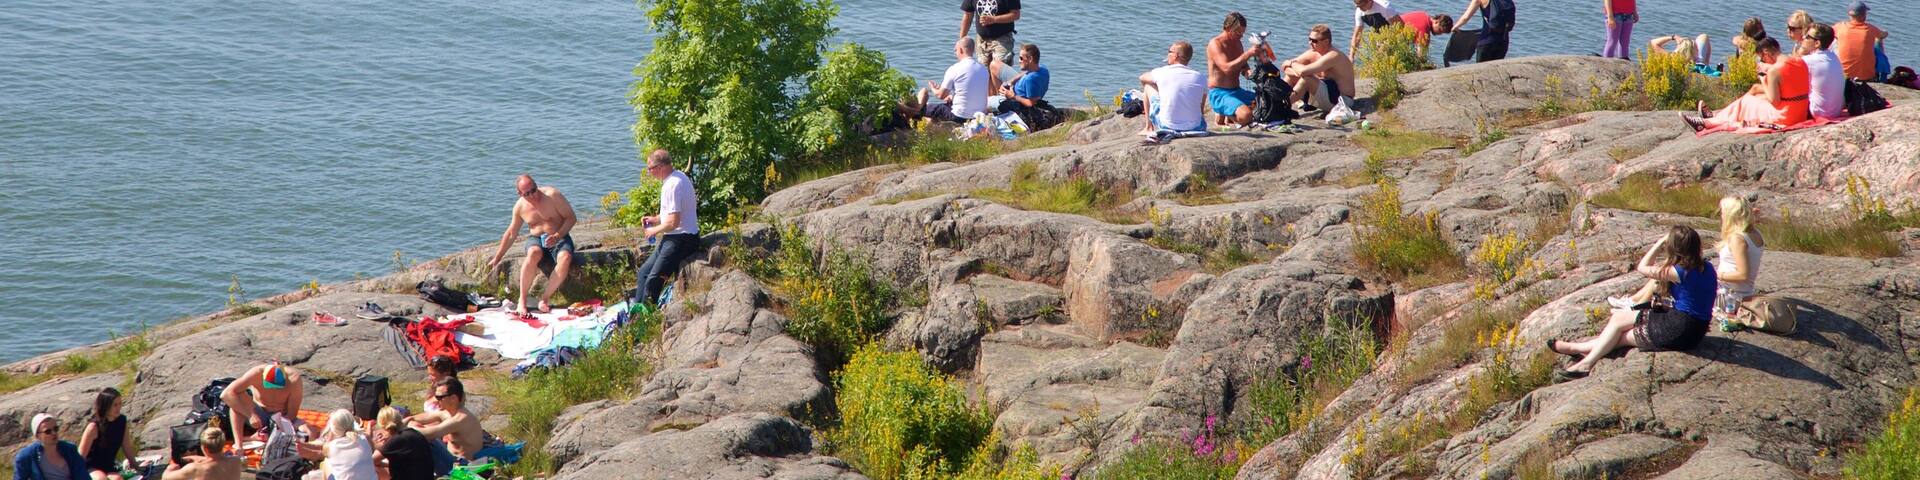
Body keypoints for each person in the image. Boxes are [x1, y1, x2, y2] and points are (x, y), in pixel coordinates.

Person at [1551, 226, 1715, 378]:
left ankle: (1585, 363)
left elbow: (1642, 267)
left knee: (1622, 335)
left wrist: (1658, 243)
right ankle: (1577, 349)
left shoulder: (1679, 272)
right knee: (1619, 325)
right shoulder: (1707, 267)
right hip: (1694, 329)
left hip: (1679, 329)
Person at [483, 174, 577, 315]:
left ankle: (544, 299)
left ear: (536, 185)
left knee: (565, 258)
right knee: (533, 253)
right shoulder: (519, 207)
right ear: (520, 193)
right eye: (527, 193)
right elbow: (511, 233)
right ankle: (522, 300)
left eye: (534, 190)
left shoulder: (553, 195)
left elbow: (571, 218)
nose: (533, 195)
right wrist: (497, 258)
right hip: (536, 239)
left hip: (558, 236)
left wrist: (557, 236)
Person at [1681, 38, 1808, 132]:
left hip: (1785, 117)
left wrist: (1764, 79)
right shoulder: (1799, 61)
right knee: (1756, 95)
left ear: (1766, 53)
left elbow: (1774, 101)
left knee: (1747, 101)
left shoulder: (1774, 71)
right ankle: (1716, 116)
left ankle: (1707, 123)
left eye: (1762, 59)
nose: (1763, 62)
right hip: (1799, 111)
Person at [633, 149, 700, 307]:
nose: (649, 173)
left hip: (683, 239)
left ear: (660, 167)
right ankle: (636, 312)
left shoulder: (672, 185)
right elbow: (673, 214)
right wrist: (656, 219)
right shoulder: (678, 176)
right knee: (643, 272)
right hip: (674, 236)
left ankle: (645, 319)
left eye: (650, 169)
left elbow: (673, 223)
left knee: (653, 280)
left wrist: (652, 231)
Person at [405, 378, 484, 474]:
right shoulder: (446, 412)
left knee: (428, 442)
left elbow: (428, 434)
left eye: (439, 397)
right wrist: (408, 421)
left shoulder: (461, 419)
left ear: (453, 398)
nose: (435, 400)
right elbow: (421, 417)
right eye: (435, 397)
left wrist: (405, 425)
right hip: (451, 458)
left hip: (463, 465)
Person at [1209, 12, 1271, 127]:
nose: (1241, 36)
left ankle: (1229, 114)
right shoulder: (1216, 44)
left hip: (1237, 90)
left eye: (1243, 32)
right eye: (1238, 32)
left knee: (1268, 104)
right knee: (1246, 116)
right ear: (1228, 28)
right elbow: (1226, 68)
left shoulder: (1237, 43)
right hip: (1220, 92)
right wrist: (1248, 53)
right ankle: (1225, 112)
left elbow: (1243, 67)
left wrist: (1251, 73)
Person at [1136, 40, 1208, 140]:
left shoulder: (1162, 72)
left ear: (1176, 56)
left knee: (1148, 85)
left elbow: (1142, 77)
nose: (1168, 54)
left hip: (1167, 125)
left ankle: (1148, 127)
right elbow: (1201, 108)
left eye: (1169, 51)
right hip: (1196, 126)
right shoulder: (1201, 77)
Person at [1282, 25, 1358, 116]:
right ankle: (1276, 101)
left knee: (1307, 79)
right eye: (1309, 39)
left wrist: (1291, 63)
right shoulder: (1313, 53)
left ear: (1326, 41)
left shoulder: (1334, 56)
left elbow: (1301, 70)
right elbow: (1284, 67)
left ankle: (1280, 107)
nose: (1310, 43)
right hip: (1326, 93)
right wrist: (1295, 71)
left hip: (1341, 101)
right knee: (1290, 76)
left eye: (1314, 41)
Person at [219, 363, 304, 441]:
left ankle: (254, 438)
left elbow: (292, 413)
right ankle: (239, 443)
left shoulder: (294, 379)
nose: (272, 389)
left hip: (281, 418)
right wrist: (251, 415)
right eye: (269, 386)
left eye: (276, 387)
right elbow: (226, 394)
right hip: (259, 413)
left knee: (308, 432)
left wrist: (279, 428)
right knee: (236, 402)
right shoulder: (256, 373)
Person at [915, 38, 991, 123]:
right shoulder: (984, 69)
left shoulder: (955, 69)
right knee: (943, 107)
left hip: (959, 116)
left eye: (955, 50)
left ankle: (915, 119)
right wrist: (951, 97)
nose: (955, 53)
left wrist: (933, 89)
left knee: (926, 106)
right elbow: (971, 92)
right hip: (979, 116)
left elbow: (941, 96)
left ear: (961, 50)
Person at [1713, 196, 1766, 304]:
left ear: (1731, 214)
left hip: (1729, 297)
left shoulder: (1737, 239)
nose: (1721, 215)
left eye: (1723, 211)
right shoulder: (1755, 233)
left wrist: (1715, 275)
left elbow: (1743, 275)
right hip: (1743, 293)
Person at [77, 388, 138, 480]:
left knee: (117, 479)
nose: (119, 407)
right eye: (115, 405)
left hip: (108, 465)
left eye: (120, 403)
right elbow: (80, 457)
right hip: (90, 467)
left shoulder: (122, 421)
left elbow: (126, 447)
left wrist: (136, 466)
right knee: (100, 478)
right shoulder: (93, 427)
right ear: (106, 406)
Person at [959, 0, 1020, 88]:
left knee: (999, 71)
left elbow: (1015, 14)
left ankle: (1001, 99)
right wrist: (961, 39)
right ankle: (990, 100)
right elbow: (968, 15)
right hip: (981, 40)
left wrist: (994, 19)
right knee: (984, 74)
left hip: (1002, 38)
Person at [13, 414, 90, 480]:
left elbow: (83, 476)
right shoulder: (26, 456)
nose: (54, 433)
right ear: (37, 436)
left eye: (56, 429)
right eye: (48, 431)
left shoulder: (70, 450)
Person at [308, 410, 377, 480]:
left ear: (332, 429)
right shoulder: (364, 438)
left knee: (327, 462)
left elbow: (320, 450)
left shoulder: (332, 446)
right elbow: (372, 450)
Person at [159, 425, 242, 480]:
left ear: (205, 448)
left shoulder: (195, 468)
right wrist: (195, 458)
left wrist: (171, 467)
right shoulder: (236, 461)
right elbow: (216, 461)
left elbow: (166, 477)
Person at [1833, 1, 1888, 81]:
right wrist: (1885, 32)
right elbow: (1883, 35)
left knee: (1835, 41)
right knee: (1877, 42)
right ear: (1864, 15)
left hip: (1843, 75)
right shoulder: (1870, 29)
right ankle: (1880, 74)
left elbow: (1827, 33)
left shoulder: (1840, 27)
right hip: (1867, 77)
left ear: (1849, 14)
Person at [372, 407, 433, 480]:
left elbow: (370, 461)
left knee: (375, 469)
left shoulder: (396, 440)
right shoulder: (413, 432)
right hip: (426, 476)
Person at [1801, 24, 1847, 120]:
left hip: (1818, 112)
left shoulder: (1809, 61)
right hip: (1836, 111)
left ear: (1817, 43)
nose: (1803, 37)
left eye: (1808, 36)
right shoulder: (1833, 56)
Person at [995, 43, 1050, 114]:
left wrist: (1012, 96)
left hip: (1016, 100)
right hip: (1016, 87)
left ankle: (998, 98)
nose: (1019, 61)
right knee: (994, 65)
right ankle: (998, 94)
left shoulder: (1030, 79)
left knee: (987, 102)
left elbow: (1030, 103)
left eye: (1021, 58)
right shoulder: (1042, 68)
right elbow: (1026, 72)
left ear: (1030, 59)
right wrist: (1011, 82)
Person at [1650, 34, 1716, 75]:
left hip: (1684, 58)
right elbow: (1704, 36)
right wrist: (1706, 63)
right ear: (1694, 52)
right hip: (1697, 62)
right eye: (1696, 48)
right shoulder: (1698, 64)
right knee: (1703, 36)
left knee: (1703, 37)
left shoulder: (1670, 58)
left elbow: (1653, 42)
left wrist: (1673, 37)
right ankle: (1707, 64)